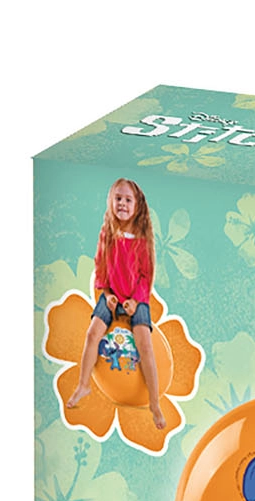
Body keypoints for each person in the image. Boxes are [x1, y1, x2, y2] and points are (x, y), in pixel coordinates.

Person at [67, 178, 166, 432]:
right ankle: (83, 385)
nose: (122, 203)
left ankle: (155, 403)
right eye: (118, 198)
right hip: (111, 295)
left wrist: (136, 301)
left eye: (128, 199)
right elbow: (100, 266)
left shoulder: (142, 238)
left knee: (145, 344)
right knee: (92, 334)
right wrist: (107, 294)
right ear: (111, 202)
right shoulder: (107, 233)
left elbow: (146, 275)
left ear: (138, 205)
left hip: (136, 298)